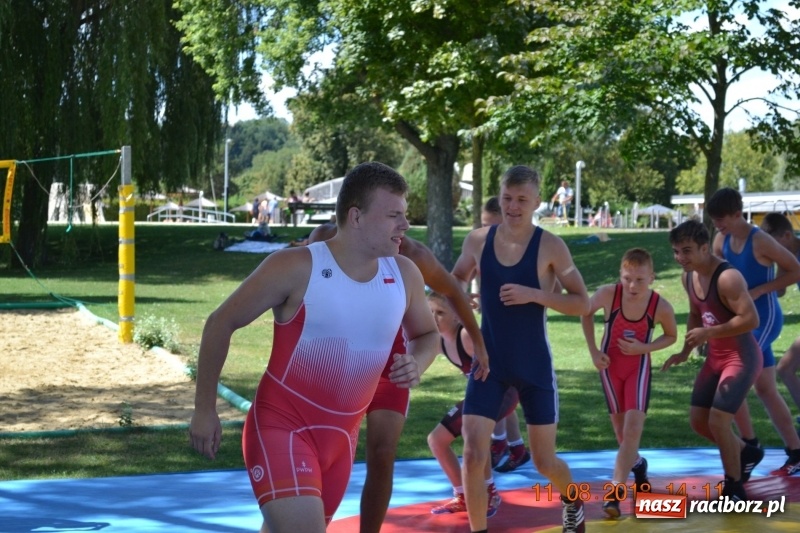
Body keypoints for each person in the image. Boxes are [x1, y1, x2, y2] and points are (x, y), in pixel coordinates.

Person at [188, 162, 440, 533]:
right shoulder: (294, 266)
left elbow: (428, 335)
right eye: (393, 215)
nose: (405, 225)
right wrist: (204, 409)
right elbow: (220, 323)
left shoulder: (404, 274)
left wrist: (418, 362)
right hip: (281, 428)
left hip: (340, 443)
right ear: (356, 217)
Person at [308, 219, 489, 533]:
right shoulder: (325, 238)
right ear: (361, 213)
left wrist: (479, 343)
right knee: (326, 455)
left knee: (382, 453)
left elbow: (453, 290)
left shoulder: (411, 253)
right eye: (393, 216)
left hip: (390, 365)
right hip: (336, 365)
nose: (404, 225)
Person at [452, 165, 591, 533]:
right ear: (500, 196)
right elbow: (453, 284)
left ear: (537, 203)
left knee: (545, 463)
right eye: (507, 198)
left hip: (533, 367)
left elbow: (583, 302)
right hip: (489, 364)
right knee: (472, 453)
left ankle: (572, 499)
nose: (512, 207)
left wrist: (534, 294)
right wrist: (465, 300)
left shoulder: (550, 245)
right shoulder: (478, 240)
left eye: (522, 200)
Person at [662, 219, 763, 501]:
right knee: (698, 422)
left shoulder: (728, 278)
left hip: (741, 357)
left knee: (719, 421)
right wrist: (684, 351)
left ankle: (733, 486)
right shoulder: (689, 276)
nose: (680, 258)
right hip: (716, 357)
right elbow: (696, 314)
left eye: (686, 251)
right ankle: (746, 452)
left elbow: (751, 319)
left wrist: (710, 332)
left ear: (705, 248)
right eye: (676, 251)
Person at [708, 188, 800, 477]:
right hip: (742, 319)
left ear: (738, 214)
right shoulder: (722, 238)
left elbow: (794, 269)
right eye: (714, 221)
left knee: (731, 382)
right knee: (765, 388)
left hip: (763, 318)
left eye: (722, 220)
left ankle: (749, 447)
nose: (718, 226)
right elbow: (713, 269)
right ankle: (796, 451)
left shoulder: (759, 239)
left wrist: (762, 289)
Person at [581, 248, 678, 517]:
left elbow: (671, 335)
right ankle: (638, 465)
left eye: (639, 280)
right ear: (619, 276)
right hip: (610, 370)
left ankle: (614, 496)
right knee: (623, 438)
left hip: (638, 370)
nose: (632, 286)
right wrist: (592, 351)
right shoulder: (608, 294)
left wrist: (644, 347)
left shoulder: (660, 306)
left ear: (652, 277)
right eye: (627, 279)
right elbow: (585, 312)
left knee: (632, 433)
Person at [426, 292, 515, 518]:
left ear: (457, 316)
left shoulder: (466, 335)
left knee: (474, 432)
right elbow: (417, 357)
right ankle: (463, 495)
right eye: (430, 312)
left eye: (440, 312)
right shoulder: (439, 340)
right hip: (483, 393)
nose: (434, 317)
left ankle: (489, 492)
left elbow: (500, 357)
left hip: (505, 390)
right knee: (436, 440)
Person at [479, 196, 530, 472]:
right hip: (492, 330)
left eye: (491, 226)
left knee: (500, 391)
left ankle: (501, 441)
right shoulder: (484, 248)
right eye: (483, 225)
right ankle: (515, 445)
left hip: (516, 338)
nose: (487, 232)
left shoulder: (520, 252)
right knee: (501, 391)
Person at [760, 213, 800, 429]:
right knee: (785, 368)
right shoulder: (785, 256)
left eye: (772, 244)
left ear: (787, 235)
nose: (770, 250)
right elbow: (781, 290)